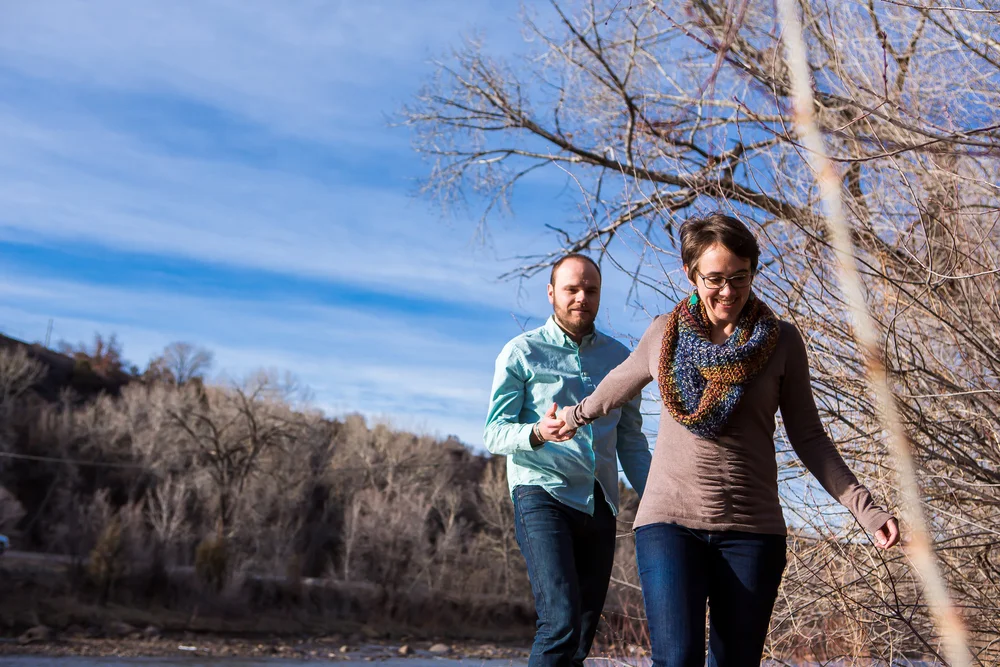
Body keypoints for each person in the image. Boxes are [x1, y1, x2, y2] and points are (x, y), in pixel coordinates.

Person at [556, 213, 901, 667]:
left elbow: (809, 437)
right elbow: (616, 386)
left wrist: (865, 508)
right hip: (670, 523)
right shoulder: (664, 334)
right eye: (715, 278)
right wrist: (574, 416)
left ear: (753, 272)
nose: (728, 291)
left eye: (740, 277)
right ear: (690, 274)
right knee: (676, 660)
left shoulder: (781, 342)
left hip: (752, 529)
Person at [484, 253, 652, 667]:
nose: (581, 298)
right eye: (571, 289)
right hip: (541, 493)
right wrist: (538, 432)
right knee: (559, 622)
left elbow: (631, 440)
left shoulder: (622, 358)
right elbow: (494, 432)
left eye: (590, 290)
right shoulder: (521, 352)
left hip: (600, 502)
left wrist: (657, 500)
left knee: (581, 634)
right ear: (551, 293)